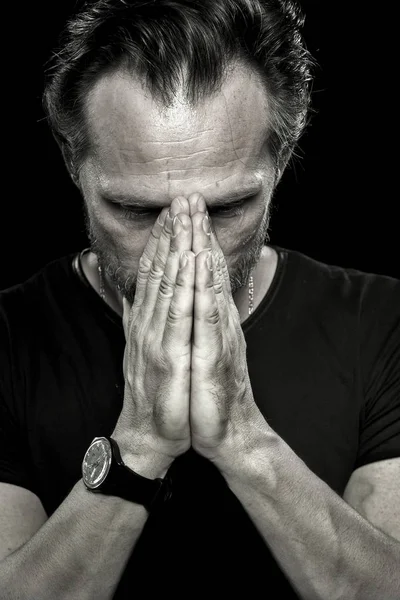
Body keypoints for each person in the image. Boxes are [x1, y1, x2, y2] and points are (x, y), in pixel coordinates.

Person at [0, 0, 399, 598]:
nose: (186, 248)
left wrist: (241, 436)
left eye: (227, 208)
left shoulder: (382, 321)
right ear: (72, 163)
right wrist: (139, 444)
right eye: (136, 210)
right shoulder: (8, 336)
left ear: (282, 160)